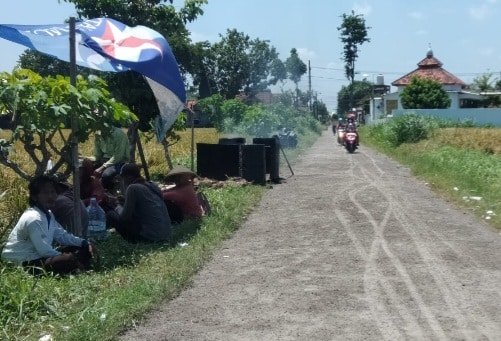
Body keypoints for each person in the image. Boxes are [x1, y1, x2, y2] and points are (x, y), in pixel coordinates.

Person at [1, 175, 95, 276]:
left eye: (53, 192)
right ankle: (78, 266)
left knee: (82, 247)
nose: (50, 196)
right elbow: (44, 251)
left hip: (39, 256)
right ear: (34, 197)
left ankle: (78, 266)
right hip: (23, 262)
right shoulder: (33, 218)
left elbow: (62, 235)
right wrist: (71, 259)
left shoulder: (48, 214)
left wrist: (84, 243)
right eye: (45, 193)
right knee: (68, 259)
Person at [107, 163, 171, 243]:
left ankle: (132, 241)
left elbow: (124, 217)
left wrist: (116, 205)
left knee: (111, 214)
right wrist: (124, 200)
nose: (122, 181)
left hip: (150, 237)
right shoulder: (152, 185)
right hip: (166, 234)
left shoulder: (133, 188)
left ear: (129, 177)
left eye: (123, 179)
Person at [94, 126, 130, 192]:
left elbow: (118, 156)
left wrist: (102, 167)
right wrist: (85, 159)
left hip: (119, 162)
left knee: (106, 175)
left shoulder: (119, 134)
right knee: (84, 167)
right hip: (104, 160)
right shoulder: (98, 134)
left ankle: (108, 193)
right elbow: (98, 155)